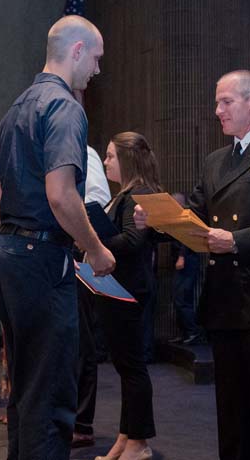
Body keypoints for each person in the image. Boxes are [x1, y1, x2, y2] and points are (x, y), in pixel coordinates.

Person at [135, 69, 250, 460]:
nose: (217, 110)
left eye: (225, 102)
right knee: (230, 411)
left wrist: (237, 241)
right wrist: (157, 222)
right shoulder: (215, 160)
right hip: (226, 303)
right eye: (217, 102)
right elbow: (196, 218)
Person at [0, 14, 115, 460]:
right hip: (43, 258)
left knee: (26, 390)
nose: (97, 71)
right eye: (97, 59)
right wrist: (96, 249)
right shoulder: (64, 106)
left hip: (10, 255)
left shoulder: (17, 107)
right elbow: (61, 196)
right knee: (52, 395)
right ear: (77, 50)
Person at [94, 132, 160, 460]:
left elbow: (133, 242)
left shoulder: (140, 193)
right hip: (120, 289)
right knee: (126, 367)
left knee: (132, 368)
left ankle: (139, 443)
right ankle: (126, 437)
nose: (105, 162)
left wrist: (93, 246)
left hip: (128, 290)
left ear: (127, 158)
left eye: (110, 155)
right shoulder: (127, 194)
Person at [73, 145, 112, 449]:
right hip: (49, 256)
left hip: (76, 253)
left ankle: (81, 423)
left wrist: (75, 228)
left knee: (82, 342)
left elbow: (97, 201)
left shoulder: (83, 151)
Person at [168, 192, 205, 345]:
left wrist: (182, 256)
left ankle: (192, 332)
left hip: (188, 260)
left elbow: (188, 238)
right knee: (179, 298)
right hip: (183, 260)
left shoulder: (186, 218)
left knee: (182, 298)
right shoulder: (178, 219)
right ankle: (185, 333)